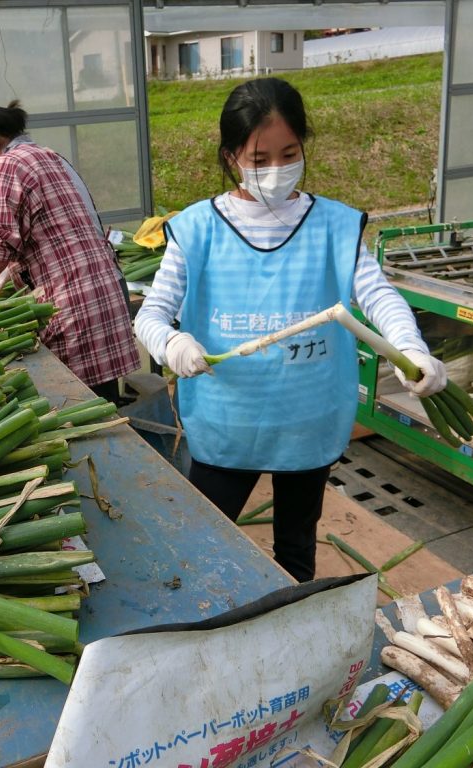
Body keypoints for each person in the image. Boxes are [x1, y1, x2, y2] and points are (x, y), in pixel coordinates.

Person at [133, 78, 447, 582]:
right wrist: (171, 342)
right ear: (231, 155)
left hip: (307, 420)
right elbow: (150, 314)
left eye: (289, 153)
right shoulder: (197, 229)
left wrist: (410, 348)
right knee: (209, 543)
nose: (275, 170)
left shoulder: (333, 225)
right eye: (259, 159)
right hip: (227, 423)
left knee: (297, 548)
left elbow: (377, 294)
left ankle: (290, 625)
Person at [0, 99, 140, 404]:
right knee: (102, 407)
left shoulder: (5, 165)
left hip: (72, 308)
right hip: (103, 298)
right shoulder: (48, 156)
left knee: (80, 412)